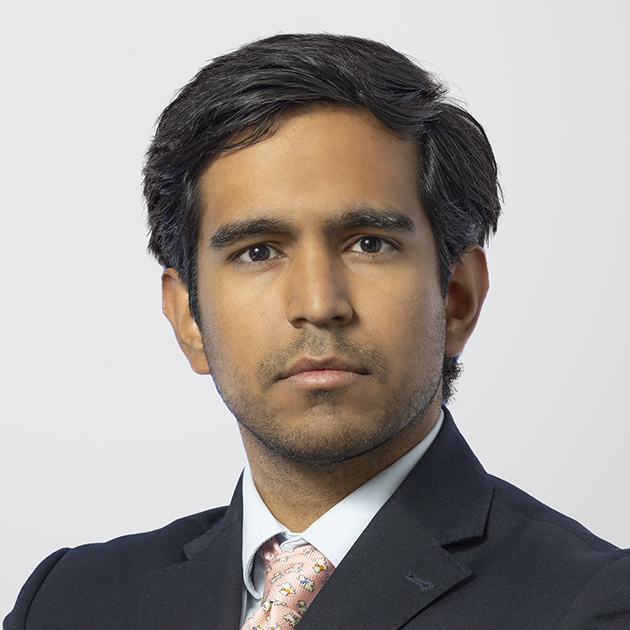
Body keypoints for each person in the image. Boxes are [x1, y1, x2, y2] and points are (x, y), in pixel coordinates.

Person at [4, 33, 629, 630]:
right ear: (189, 317)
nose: (318, 303)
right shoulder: (68, 603)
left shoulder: (592, 606)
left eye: (369, 243)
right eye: (257, 251)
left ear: (457, 297)